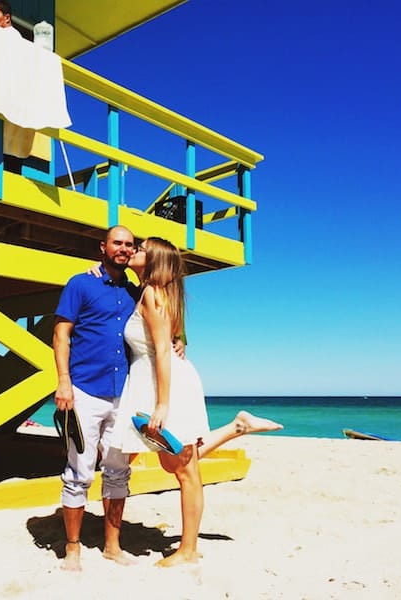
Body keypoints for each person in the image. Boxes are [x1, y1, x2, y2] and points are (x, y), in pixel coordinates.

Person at [110, 237, 283, 567]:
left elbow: (162, 350)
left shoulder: (152, 294)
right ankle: (237, 426)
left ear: (156, 261)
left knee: (185, 470)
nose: (135, 251)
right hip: (159, 379)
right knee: (174, 460)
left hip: (166, 384)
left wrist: (162, 404)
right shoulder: (158, 292)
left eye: (142, 249)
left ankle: (188, 551)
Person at [53, 225, 140, 571]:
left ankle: (112, 546)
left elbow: (163, 320)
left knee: (119, 471)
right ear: (102, 247)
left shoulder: (136, 292)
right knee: (78, 471)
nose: (123, 249)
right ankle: (72, 547)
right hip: (85, 391)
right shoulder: (81, 283)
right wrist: (64, 382)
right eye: (117, 243)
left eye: (129, 245)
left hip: (124, 395)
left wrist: (180, 339)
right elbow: (61, 333)